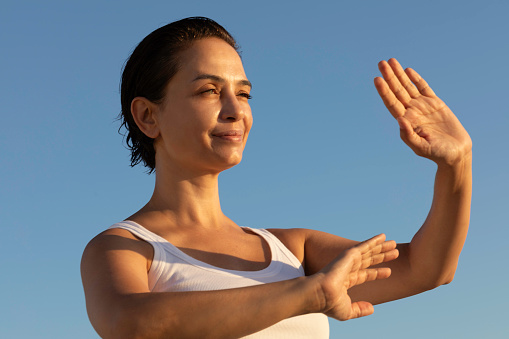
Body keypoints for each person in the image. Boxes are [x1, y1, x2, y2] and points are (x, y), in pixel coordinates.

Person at [80, 17, 472, 338]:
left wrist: (457, 163)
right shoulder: (124, 248)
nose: (235, 110)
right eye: (209, 91)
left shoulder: (292, 249)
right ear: (148, 116)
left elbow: (427, 268)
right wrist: (310, 293)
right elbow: (131, 324)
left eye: (244, 93)